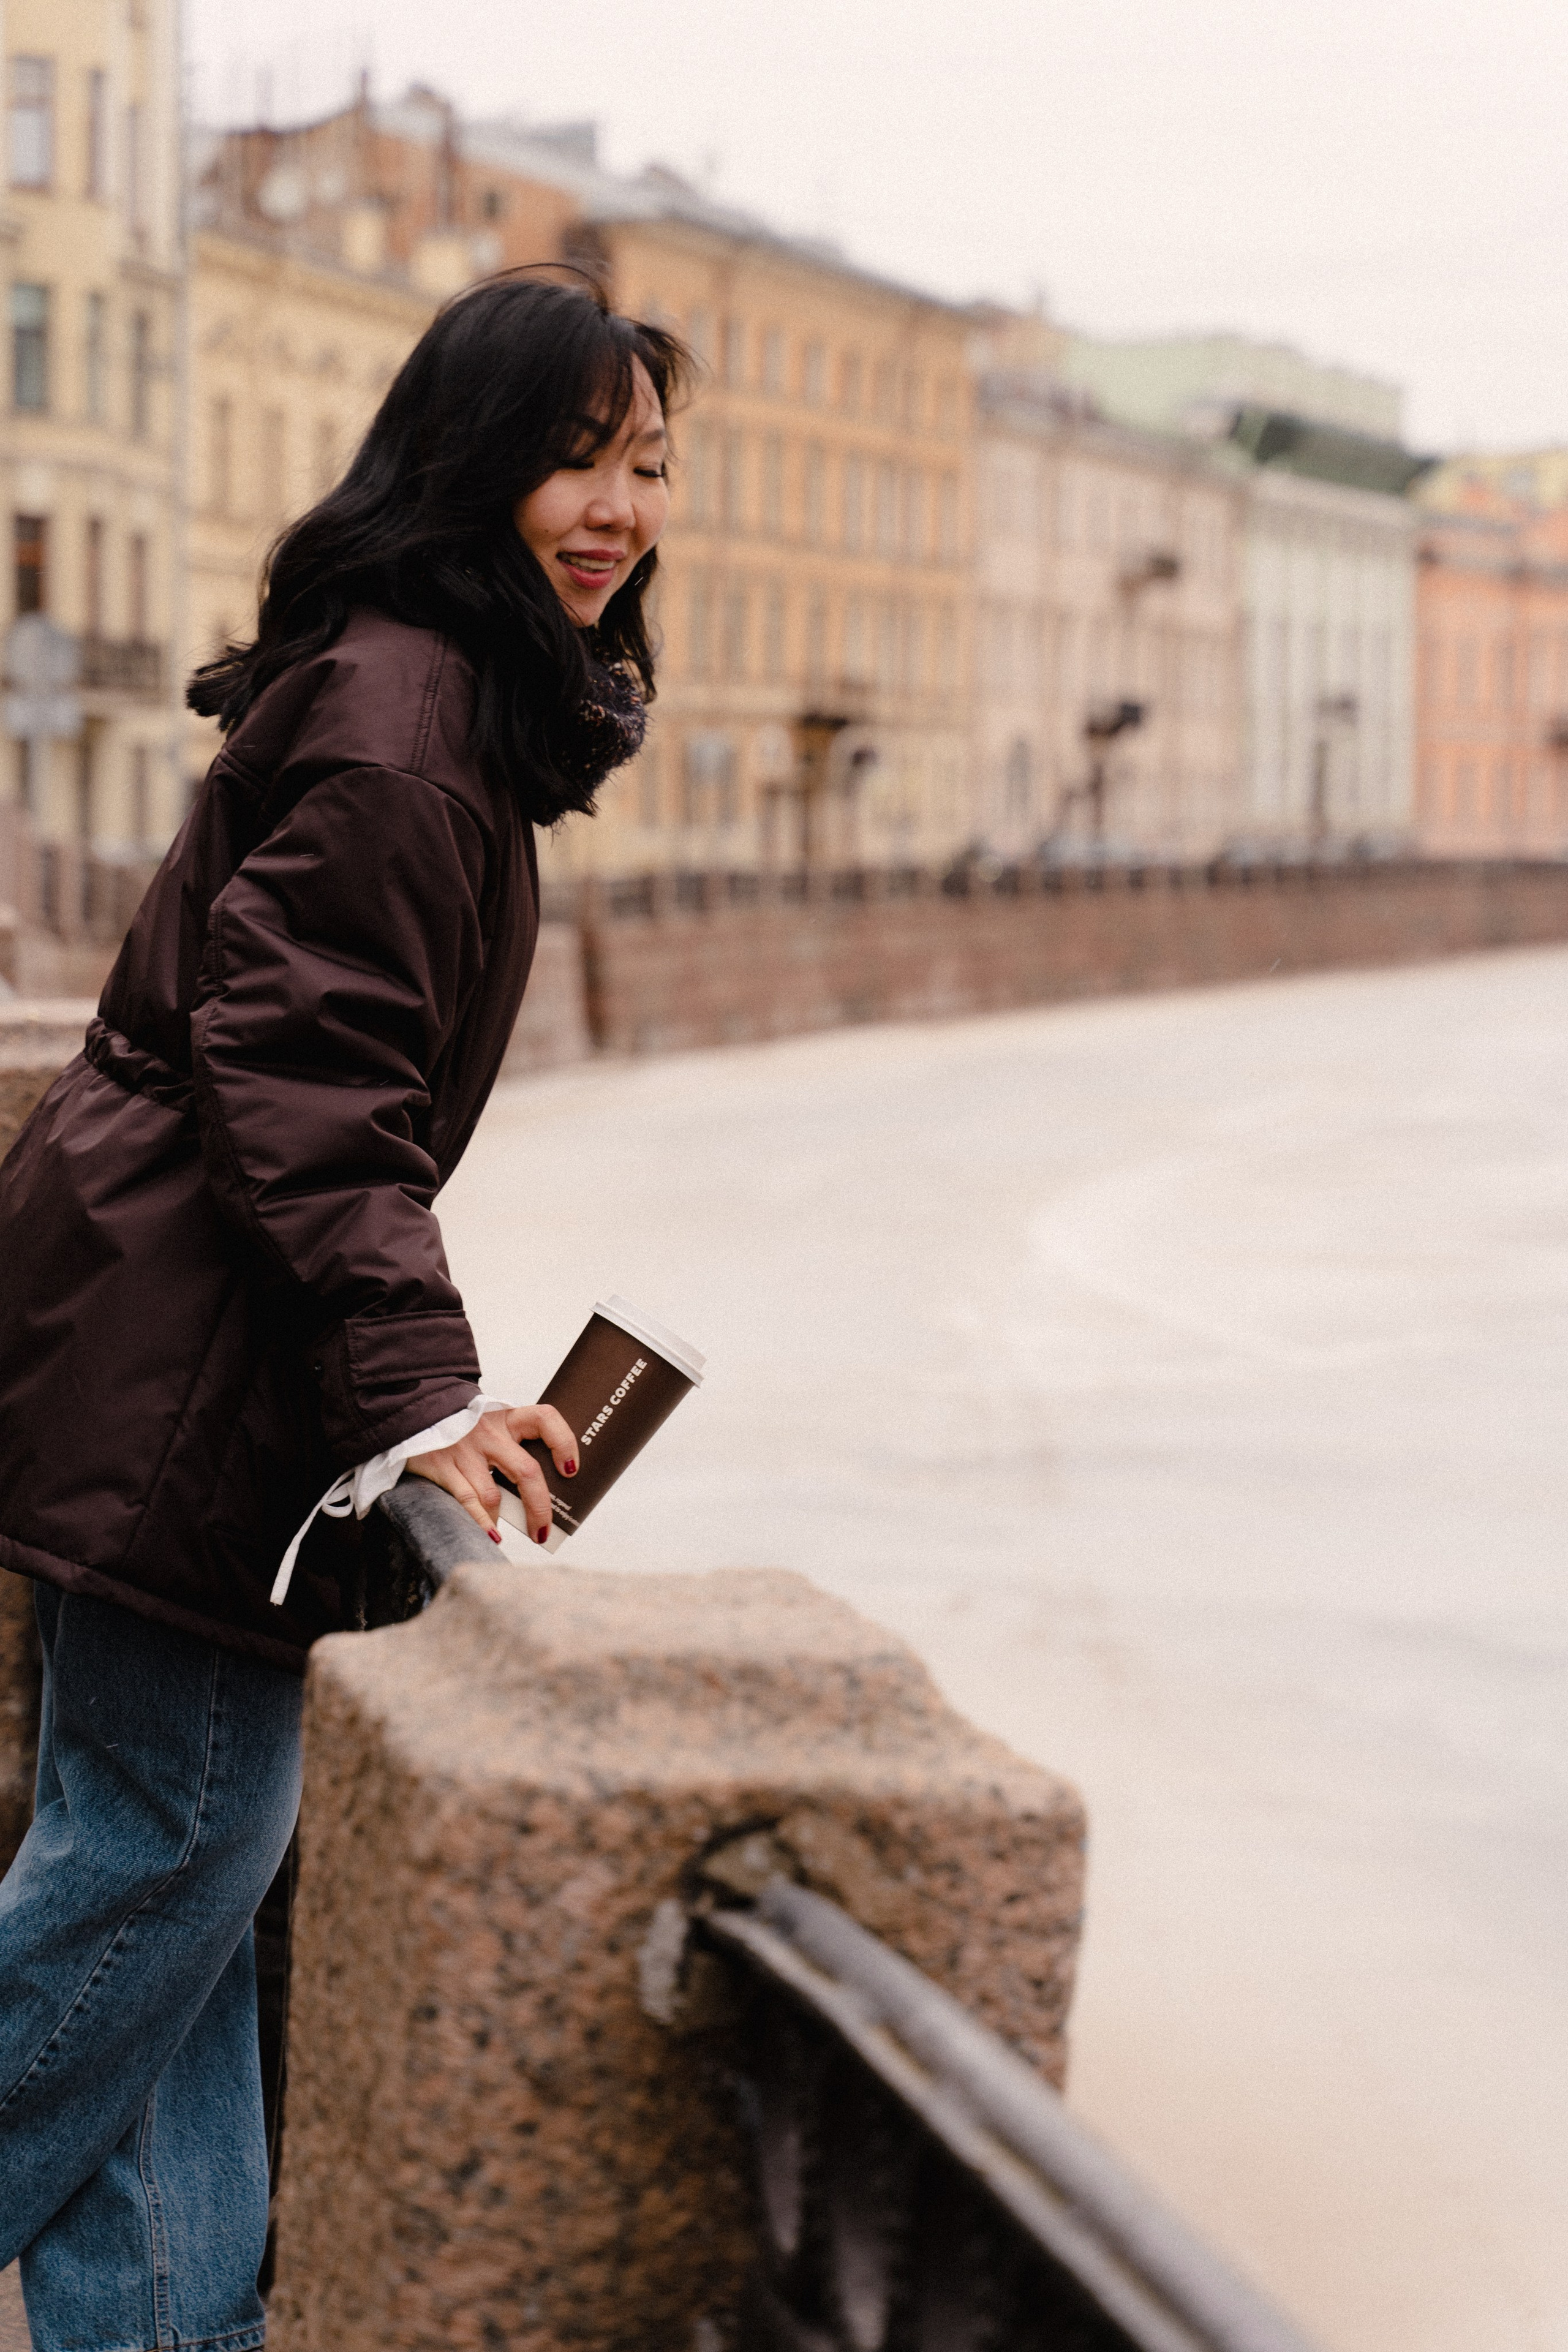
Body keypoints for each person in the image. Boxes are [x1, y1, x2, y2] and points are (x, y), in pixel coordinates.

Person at [0, 274, 687, 2347]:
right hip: (188, 1356)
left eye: (649, 464)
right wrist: (423, 1399)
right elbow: (304, 1076)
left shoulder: (424, 694)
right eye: (578, 456)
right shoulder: (408, 727)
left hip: (165, 1334)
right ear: (472, 464)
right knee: (158, 1865)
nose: (617, 508)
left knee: (178, 1907)